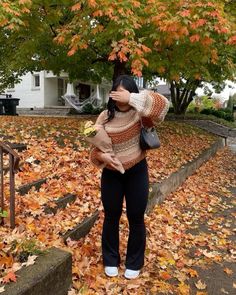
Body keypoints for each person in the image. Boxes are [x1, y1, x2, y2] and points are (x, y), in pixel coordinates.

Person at [90, 75, 169, 279]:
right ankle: (110, 259)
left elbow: (162, 107)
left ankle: (134, 262)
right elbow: (93, 150)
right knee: (111, 215)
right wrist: (103, 156)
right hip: (111, 174)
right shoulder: (104, 116)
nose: (120, 95)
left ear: (131, 92)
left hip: (137, 171)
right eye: (117, 91)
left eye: (124, 91)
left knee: (136, 216)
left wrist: (132, 99)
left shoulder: (141, 114)